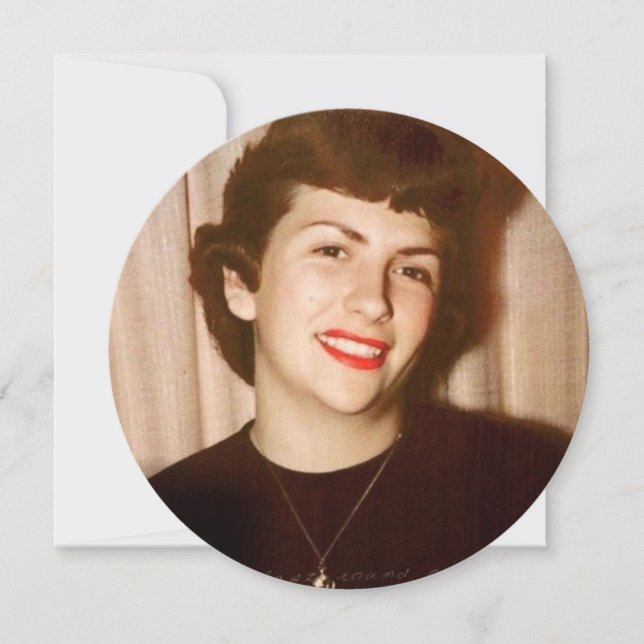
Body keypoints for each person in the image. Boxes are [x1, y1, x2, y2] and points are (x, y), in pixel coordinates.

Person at [149, 110, 570, 589]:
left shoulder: (526, 479)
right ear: (240, 283)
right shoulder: (170, 511)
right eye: (332, 251)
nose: (373, 301)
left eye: (412, 270)